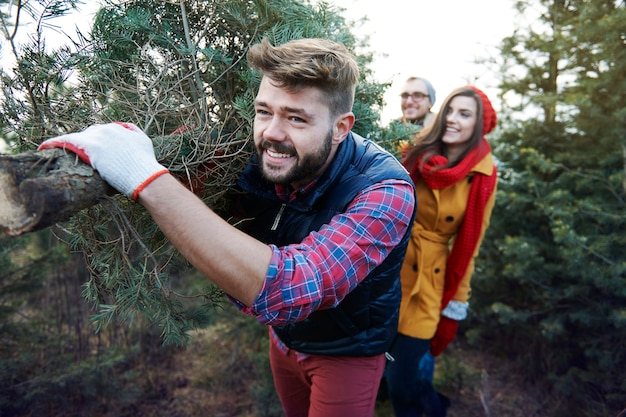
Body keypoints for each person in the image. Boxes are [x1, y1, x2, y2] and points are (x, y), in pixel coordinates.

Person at [39, 37, 416, 417]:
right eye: (264, 111)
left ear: (341, 128)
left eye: (297, 118)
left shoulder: (385, 191)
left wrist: (145, 176)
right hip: (282, 342)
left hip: (346, 353)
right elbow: (193, 166)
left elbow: (293, 287)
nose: (272, 133)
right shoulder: (258, 151)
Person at [385, 86, 498, 417]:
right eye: (450, 110)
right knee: (383, 366)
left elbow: (470, 247)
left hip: (428, 286)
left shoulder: (484, 176)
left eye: (464, 114)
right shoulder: (413, 150)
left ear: (477, 125)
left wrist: (454, 308)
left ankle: (432, 408)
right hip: (390, 270)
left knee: (402, 378)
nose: (452, 119)